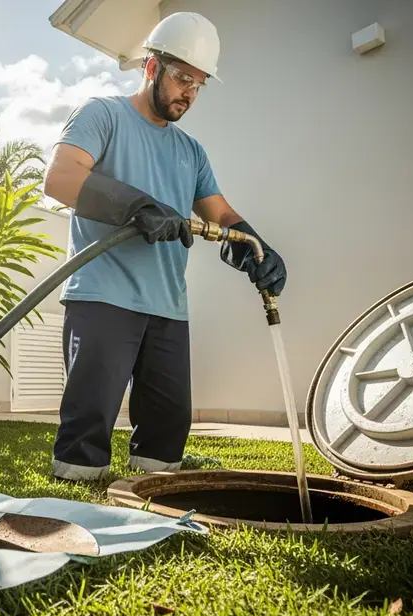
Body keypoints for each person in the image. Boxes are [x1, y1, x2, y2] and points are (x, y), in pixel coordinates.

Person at [41, 12, 288, 481]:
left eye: (199, 84)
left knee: (167, 434)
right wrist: (136, 205)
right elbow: (60, 179)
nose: (189, 93)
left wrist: (257, 248)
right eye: (182, 78)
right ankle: (77, 480)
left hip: (168, 305)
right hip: (103, 294)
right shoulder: (103, 114)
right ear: (151, 67)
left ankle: (153, 488)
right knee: (88, 422)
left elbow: (221, 214)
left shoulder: (190, 150)